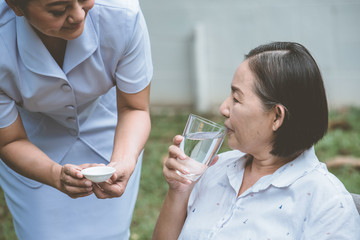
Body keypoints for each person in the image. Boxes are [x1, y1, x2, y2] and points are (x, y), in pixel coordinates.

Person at [152, 42, 360, 240]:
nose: (223, 108)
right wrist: (179, 191)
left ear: (276, 117)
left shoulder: (327, 204)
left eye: (236, 99)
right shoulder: (216, 168)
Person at [0, 0, 152, 239]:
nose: (79, 15)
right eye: (58, 10)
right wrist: (53, 174)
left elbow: (134, 108)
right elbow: (9, 141)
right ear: (16, 6)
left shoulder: (123, 15)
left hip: (112, 133)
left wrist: (123, 161)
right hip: (30, 144)